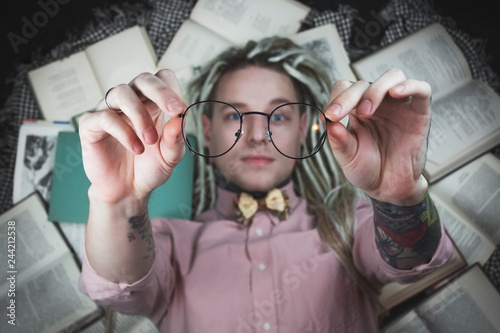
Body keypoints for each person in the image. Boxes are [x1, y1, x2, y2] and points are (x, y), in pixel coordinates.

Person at [78, 37, 452, 332]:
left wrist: (399, 196)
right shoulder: (170, 247)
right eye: (233, 114)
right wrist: (118, 200)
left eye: (280, 116)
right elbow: (119, 284)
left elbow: (416, 259)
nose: (258, 135)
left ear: (303, 130)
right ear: (206, 131)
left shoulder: (350, 228)